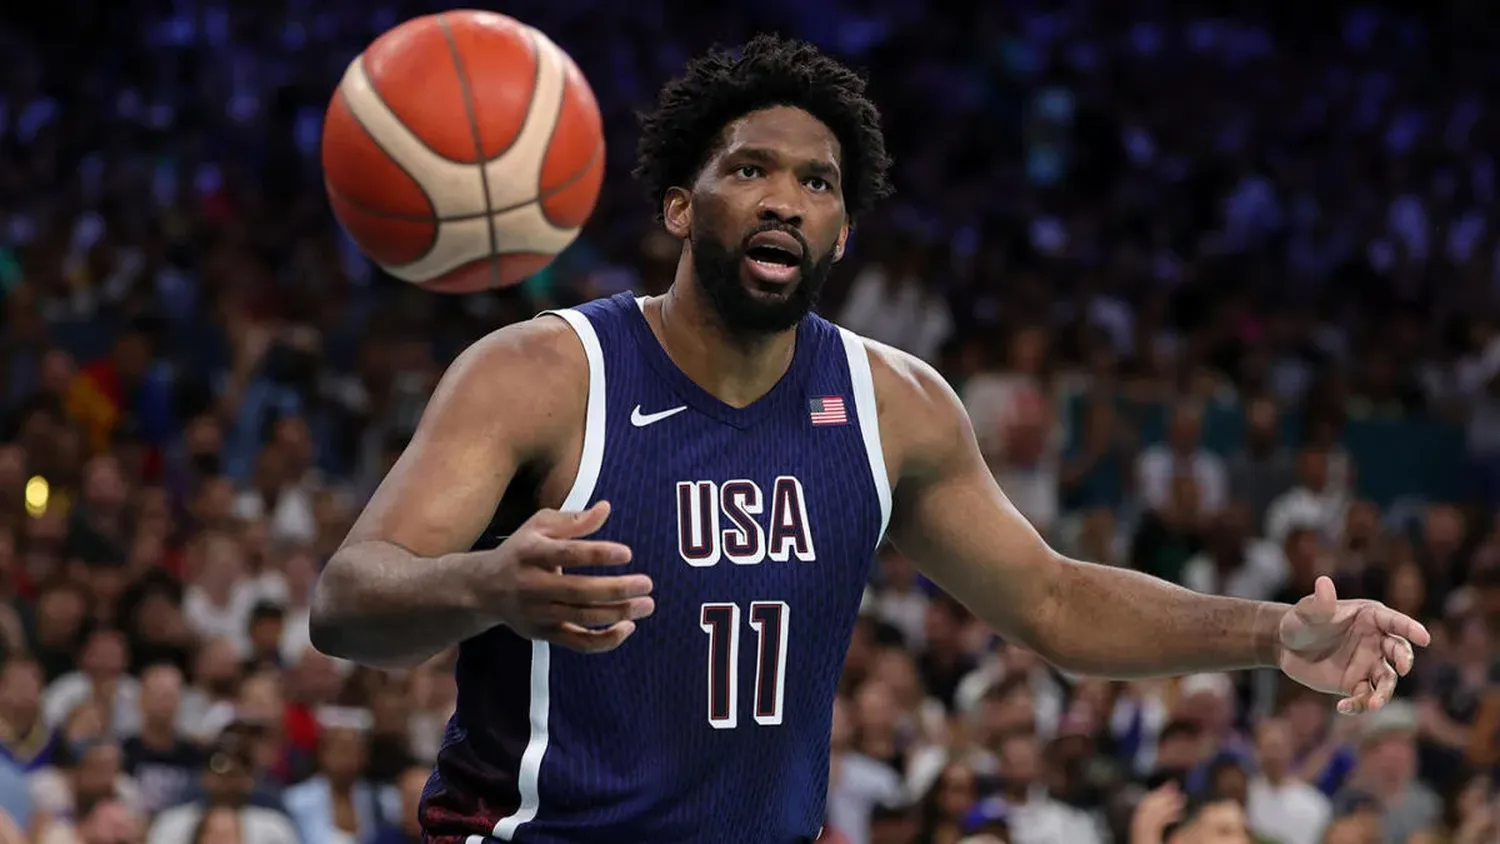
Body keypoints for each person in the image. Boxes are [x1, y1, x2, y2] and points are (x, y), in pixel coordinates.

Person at [308, 34, 1431, 844]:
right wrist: (488, 583)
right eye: (748, 169)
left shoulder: (895, 403)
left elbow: (1051, 604)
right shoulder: (539, 373)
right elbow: (350, 600)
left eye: (817, 182)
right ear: (682, 206)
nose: (784, 198)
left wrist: (1277, 631)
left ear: (842, 228)